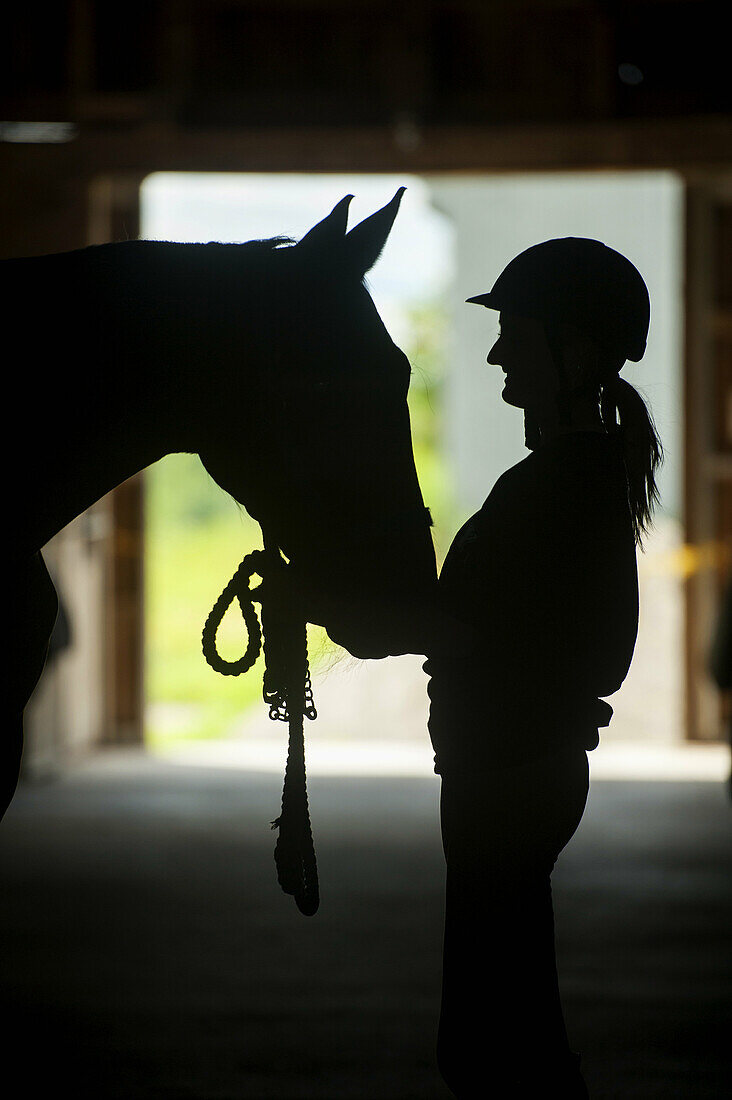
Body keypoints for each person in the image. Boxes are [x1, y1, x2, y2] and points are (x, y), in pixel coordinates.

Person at [424, 238, 662, 1097]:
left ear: (576, 352)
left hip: (510, 774)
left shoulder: (555, 491)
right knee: (504, 1024)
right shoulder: (564, 481)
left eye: (515, 334)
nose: (494, 353)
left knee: (492, 1042)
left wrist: (361, 605)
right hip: (514, 769)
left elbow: (462, 631)